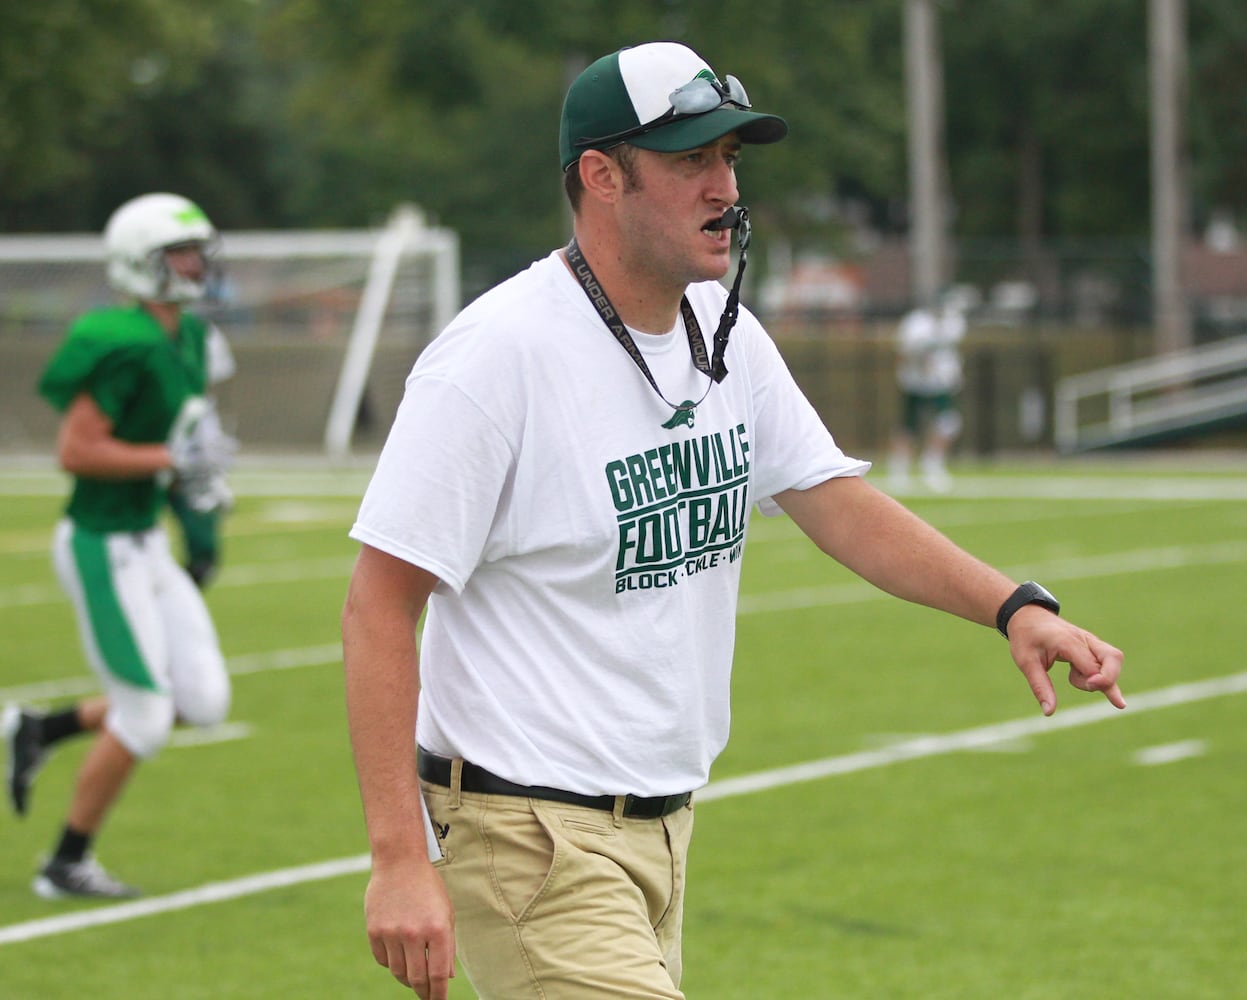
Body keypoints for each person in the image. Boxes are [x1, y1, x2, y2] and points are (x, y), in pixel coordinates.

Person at [340, 41, 1125, 1000]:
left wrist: (1016, 608)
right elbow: (379, 606)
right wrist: (398, 858)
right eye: (689, 160)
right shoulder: (493, 358)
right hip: (527, 833)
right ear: (600, 176)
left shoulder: (723, 328)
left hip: (665, 824)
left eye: (731, 160)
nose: (724, 187)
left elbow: (836, 504)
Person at [2, 192, 235, 900]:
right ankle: (65, 862)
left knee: (203, 701)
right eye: (180, 254)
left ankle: (39, 729)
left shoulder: (189, 337)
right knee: (143, 714)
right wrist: (169, 462)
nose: (196, 264)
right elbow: (77, 450)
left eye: (197, 251)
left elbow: (184, 445)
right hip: (101, 542)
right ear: (144, 263)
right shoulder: (119, 338)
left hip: (146, 543)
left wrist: (198, 528)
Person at [887, 293, 967, 492]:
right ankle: (899, 468)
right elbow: (904, 353)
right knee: (908, 425)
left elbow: (951, 353)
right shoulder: (916, 323)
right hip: (915, 382)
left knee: (948, 422)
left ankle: (932, 463)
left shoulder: (953, 322)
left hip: (940, 383)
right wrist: (919, 362)